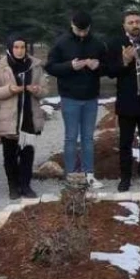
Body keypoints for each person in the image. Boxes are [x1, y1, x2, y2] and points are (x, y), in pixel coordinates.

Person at [46, 11, 108, 189]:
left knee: (88, 137)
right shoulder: (61, 43)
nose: (82, 34)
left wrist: (98, 66)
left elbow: (109, 67)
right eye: (78, 30)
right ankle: (71, 175)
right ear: (72, 25)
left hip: (91, 97)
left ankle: (89, 174)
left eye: (85, 31)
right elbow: (50, 67)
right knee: (71, 137)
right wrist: (70, 66)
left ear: (89, 28)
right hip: (69, 97)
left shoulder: (97, 43)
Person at [105, 8, 140, 192]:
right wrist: (124, 61)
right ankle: (125, 177)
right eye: (131, 22)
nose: (135, 25)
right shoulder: (116, 44)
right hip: (128, 99)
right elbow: (110, 72)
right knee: (126, 141)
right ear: (124, 26)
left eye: (137, 22)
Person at [0, 36, 45, 199]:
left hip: (29, 117)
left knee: (27, 154)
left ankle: (26, 185)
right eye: (16, 47)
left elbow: (45, 90)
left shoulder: (35, 66)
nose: (20, 50)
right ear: (10, 48)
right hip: (8, 118)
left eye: (22, 47)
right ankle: (13, 186)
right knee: (10, 155)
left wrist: (37, 90)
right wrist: (9, 89)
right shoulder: (0, 67)